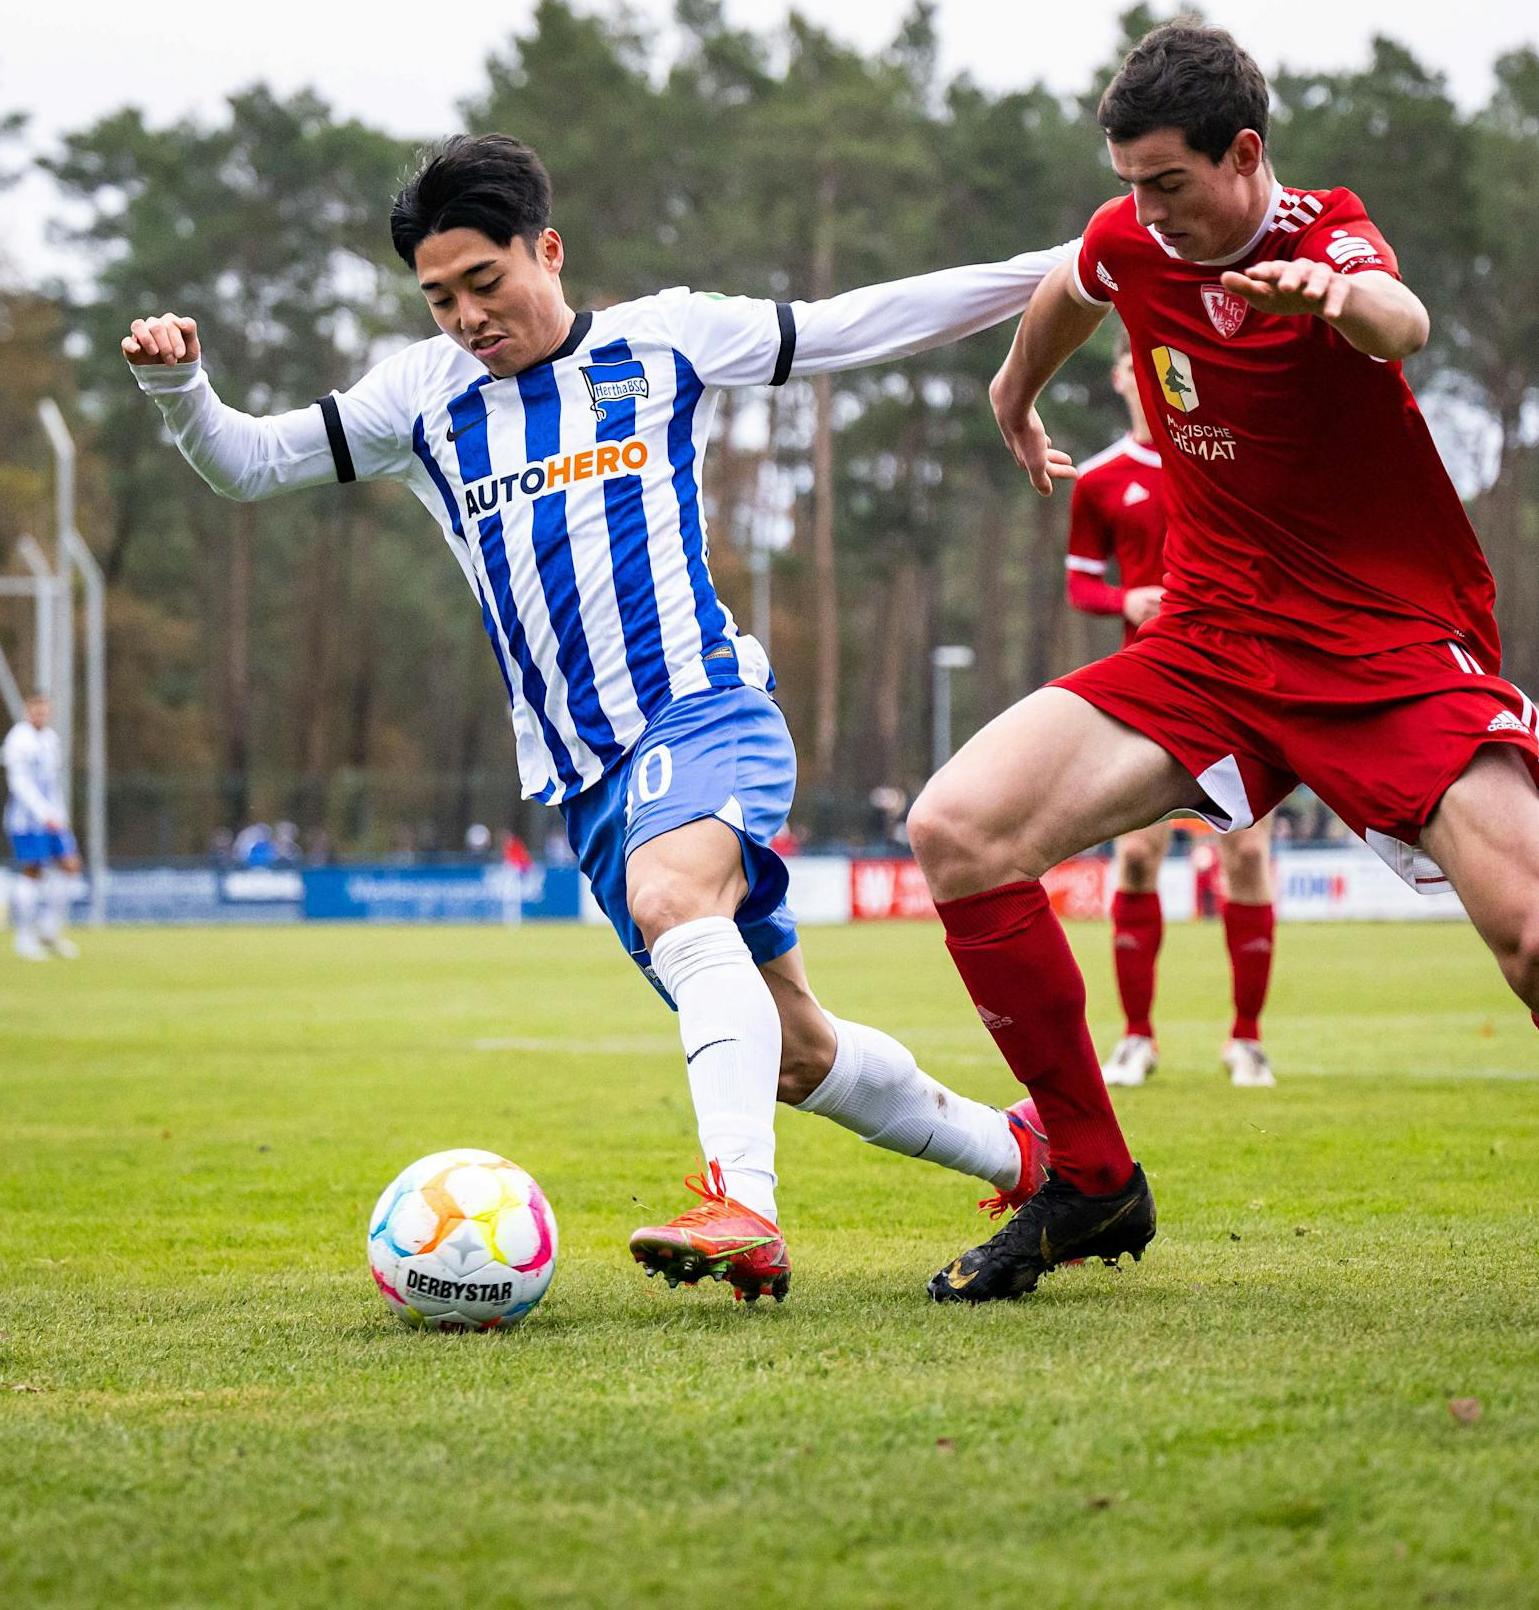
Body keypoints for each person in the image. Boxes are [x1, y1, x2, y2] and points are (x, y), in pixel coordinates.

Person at [125, 132, 1069, 1303]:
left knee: (674, 896)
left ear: (548, 250)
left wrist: (1079, 258)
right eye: (439, 297)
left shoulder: (658, 340)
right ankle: (1028, 1153)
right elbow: (249, 464)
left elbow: (850, 322)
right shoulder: (418, 396)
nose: (466, 315)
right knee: (795, 1049)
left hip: (703, 703)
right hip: (584, 779)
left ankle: (743, 1210)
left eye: (485, 281)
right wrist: (179, 386)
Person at [909, 21, 1539, 1303]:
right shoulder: (1130, 235)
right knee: (955, 828)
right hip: (1207, 644)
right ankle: (1086, 1178)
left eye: (1167, 183)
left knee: (1529, 932)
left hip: (1380, 651)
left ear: (1242, 153)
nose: (1143, 210)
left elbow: (1395, 314)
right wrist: (1012, 396)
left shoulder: (1324, 234)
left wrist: (1337, 296)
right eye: (1129, 181)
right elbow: (1073, 284)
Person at [1065, 339, 1280, 1088]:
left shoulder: (1222, 459)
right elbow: (1082, 584)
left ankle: (1246, 1039)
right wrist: (1124, 600)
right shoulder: (1098, 480)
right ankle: (1137, 1038)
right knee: (1135, 855)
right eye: (1139, 363)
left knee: (1248, 856)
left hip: (1235, 687)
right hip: (1148, 694)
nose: (1155, 374)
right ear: (1122, 378)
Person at [2, 692, 82, 960]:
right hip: (26, 819)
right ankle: (23, 939)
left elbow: (53, 782)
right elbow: (19, 782)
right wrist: (41, 811)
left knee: (70, 865)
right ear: (27, 710)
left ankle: (49, 933)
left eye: (45, 710)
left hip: (52, 817)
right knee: (32, 871)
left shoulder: (50, 740)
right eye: (36, 710)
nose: (41, 714)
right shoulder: (18, 739)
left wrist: (59, 813)